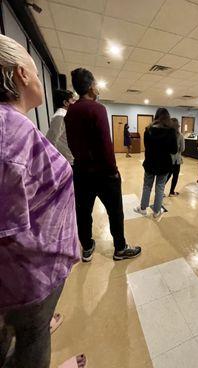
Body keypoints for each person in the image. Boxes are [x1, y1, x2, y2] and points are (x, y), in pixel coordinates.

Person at [0, 35, 86, 368]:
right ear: (22, 74)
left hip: (27, 273)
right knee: (31, 340)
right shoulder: (9, 133)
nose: (39, 81)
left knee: (20, 332)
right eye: (36, 72)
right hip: (26, 278)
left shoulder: (16, 124)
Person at [65, 68, 141, 262]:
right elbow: (105, 145)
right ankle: (120, 248)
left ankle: (87, 247)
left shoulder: (70, 111)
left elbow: (71, 142)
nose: (98, 88)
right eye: (96, 84)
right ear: (91, 87)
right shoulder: (97, 109)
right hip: (103, 173)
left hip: (80, 171)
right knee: (115, 212)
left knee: (83, 212)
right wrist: (113, 171)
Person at [134, 108, 177, 219]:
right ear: (167, 117)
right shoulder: (171, 131)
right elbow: (174, 150)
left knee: (147, 186)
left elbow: (147, 147)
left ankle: (143, 209)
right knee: (160, 187)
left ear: (156, 116)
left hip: (150, 163)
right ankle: (157, 211)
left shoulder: (148, 130)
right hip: (164, 164)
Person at [46, 89, 75, 165]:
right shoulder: (60, 116)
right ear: (65, 103)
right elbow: (51, 140)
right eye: (72, 100)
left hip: (69, 158)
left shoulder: (65, 115)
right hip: (66, 160)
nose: (75, 102)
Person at [166, 118, 185, 196]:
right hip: (176, 159)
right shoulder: (180, 136)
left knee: (167, 175)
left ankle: (160, 191)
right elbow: (182, 149)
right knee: (175, 175)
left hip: (167, 159)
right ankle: (171, 192)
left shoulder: (166, 135)